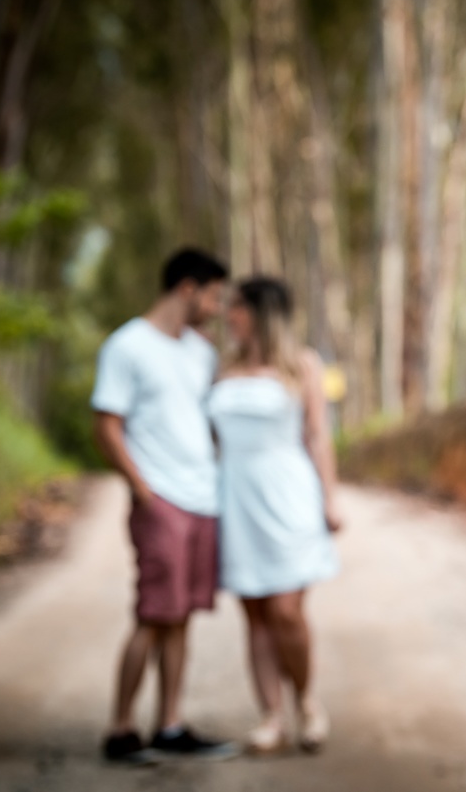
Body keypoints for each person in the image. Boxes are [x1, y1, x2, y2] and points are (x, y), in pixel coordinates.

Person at [91, 247, 237, 763]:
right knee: (154, 614)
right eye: (214, 296)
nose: (217, 307)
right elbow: (107, 424)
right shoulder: (127, 346)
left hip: (202, 500)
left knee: (179, 617)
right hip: (161, 501)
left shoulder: (200, 352)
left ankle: (170, 725)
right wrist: (142, 490)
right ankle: (121, 728)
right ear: (188, 289)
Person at [207, 277, 342, 753]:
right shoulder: (222, 368)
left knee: (286, 611)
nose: (229, 316)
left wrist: (329, 498)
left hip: (288, 495)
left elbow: (317, 435)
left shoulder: (301, 364)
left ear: (263, 312)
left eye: (237, 308)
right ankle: (270, 715)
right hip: (234, 499)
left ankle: (306, 701)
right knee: (255, 616)